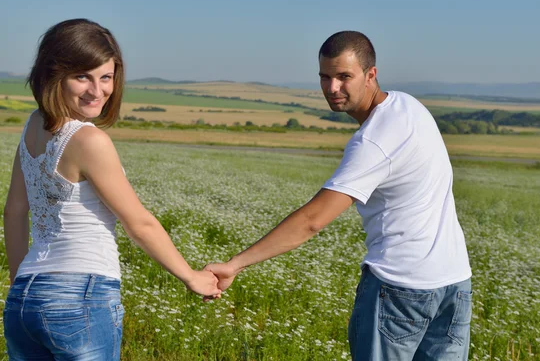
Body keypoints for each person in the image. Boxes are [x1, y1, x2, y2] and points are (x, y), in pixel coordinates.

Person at [205, 31, 472, 360]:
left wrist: (235, 265)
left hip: (400, 288)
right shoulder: (409, 106)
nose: (332, 88)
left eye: (344, 77)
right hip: (455, 283)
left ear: (370, 74)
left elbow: (312, 221)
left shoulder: (373, 141)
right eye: (325, 77)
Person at [2, 18, 221, 361]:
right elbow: (139, 223)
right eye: (82, 76)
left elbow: (14, 211)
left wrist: (20, 285)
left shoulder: (32, 125)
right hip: (80, 298)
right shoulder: (89, 140)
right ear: (52, 75)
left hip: (24, 302)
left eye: (105, 77)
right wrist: (191, 276)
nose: (97, 90)